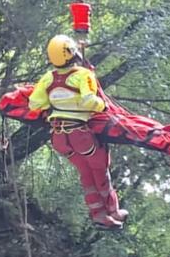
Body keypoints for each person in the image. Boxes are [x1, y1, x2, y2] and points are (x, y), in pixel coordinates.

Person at [28, 34, 126, 229]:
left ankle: (98, 214)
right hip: (80, 135)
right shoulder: (83, 75)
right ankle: (113, 211)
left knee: (85, 172)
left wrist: (54, 104)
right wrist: (103, 106)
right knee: (100, 170)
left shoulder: (47, 78)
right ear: (72, 53)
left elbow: (34, 103)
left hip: (59, 138)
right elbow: (90, 101)